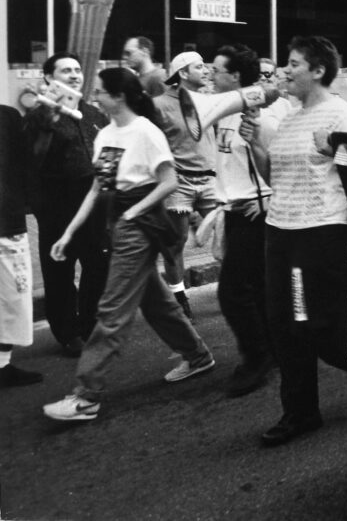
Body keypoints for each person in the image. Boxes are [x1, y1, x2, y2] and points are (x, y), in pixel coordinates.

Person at [43, 68, 216, 422]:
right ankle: (197, 355)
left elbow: (169, 182)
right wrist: (68, 233)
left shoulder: (146, 132)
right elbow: (98, 189)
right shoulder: (106, 134)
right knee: (155, 301)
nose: (95, 97)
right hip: (120, 223)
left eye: (101, 92)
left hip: (139, 224)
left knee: (112, 309)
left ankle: (86, 396)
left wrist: (133, 212)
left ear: (118, 96)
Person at [246, 36, 347, 447]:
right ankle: (300, 412)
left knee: (318, 324)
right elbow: (273, 177)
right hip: (280, 231)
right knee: (284, 324)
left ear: (318, 70)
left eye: (294, 63)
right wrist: (255, 144)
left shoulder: (341, 114)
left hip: (321, 233)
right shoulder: (290, 117)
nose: (285, 70)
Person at [209, 45, 288, 397]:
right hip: (234, 208)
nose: (211, 75)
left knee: (233, 293)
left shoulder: (262, 118)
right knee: (256, 288)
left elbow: (278, 166)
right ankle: (272, 350)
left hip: (255, 213)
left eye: (217, 70)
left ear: (236, 76)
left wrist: (268, 198)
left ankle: (256, 357)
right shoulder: (223, 112)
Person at [23, 52, 109, 357]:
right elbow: (33, 158)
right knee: (60, 272)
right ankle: (67, 333)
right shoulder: (38, 115)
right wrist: (50, 118)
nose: (74, 75)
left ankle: (89, 325)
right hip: (57, 206)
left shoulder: (95, 114)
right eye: (65, 71)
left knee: (98, 266)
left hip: (95, 204)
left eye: (77, 70)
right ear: (49, 78)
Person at [153, 51, 221, 321]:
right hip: (178, 182)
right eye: (199, 67)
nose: (206, 71)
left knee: (225, 235)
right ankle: (180, 298)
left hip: (211, 179)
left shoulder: (211, 100)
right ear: (182, 73)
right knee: (175, 243)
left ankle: (232, 290)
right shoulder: (158, 104)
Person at [0, 104, 43, 388]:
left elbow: (30, 159)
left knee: (13, 296)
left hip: (6, 218)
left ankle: (2, 364)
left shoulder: (8, 117)